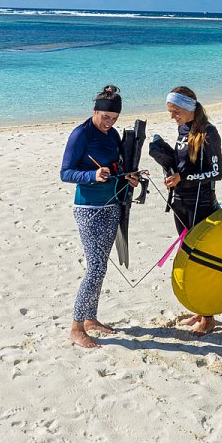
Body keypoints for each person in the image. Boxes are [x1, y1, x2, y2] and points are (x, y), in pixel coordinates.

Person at [60, 84, 139, 350]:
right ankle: (76, 327)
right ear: (95, 111)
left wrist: (129, 178)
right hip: (88, 209)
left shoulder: (113, 134)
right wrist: (91, 175)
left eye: (114, 119)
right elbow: (66, 173)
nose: (109, 123)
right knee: (95, 269)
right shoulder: (80, 134)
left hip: (112, 204)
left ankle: (91, 318)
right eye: (105, 117)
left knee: (101, 266)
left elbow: (118, 166)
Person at [158, 85, 222, 335]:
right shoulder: (182, 129)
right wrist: (169, 171)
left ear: (188, 108)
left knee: (202, 261)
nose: (171, 116)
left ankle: (208, 318)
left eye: (175, 111)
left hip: (202, 205)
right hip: (181, 203)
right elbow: (183, 166)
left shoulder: (209, 132)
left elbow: (215, 173)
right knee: (189, 259)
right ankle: (200, 309)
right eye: (170, 111)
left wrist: (183, 180)